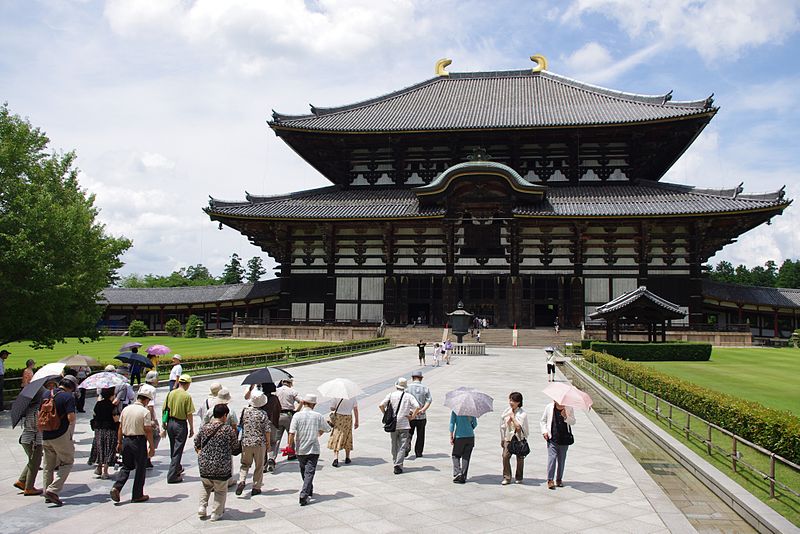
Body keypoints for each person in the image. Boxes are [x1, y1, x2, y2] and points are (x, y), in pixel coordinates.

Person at [195, 403, 239, 521]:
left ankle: (202, 507)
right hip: (221, 465)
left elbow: (197, 442)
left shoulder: (205, 428)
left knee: (206, 485)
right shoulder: (227, 429)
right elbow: (235, 447)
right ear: (224, 415)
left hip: (204, 464)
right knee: (220, 490)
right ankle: (216, 512)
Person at [110, 389, 155, 503]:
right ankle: (137, 495)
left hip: (126, 440)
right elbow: (148, 430)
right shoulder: (145, 412)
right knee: (140, 468)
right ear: (146, 400)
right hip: (138, 441)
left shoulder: (126, 409)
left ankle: (117, 487)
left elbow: (120, 427)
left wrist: (119, 442)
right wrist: (151, 445)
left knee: (126, 466)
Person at [41, 375, 79, 506]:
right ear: (71, 388)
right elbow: (71, 418)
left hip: (46, 433)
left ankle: (47, 491)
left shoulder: (46, 393)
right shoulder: (68, 397)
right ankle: (53, 490)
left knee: (48, 466)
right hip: (60, 434)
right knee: (67, 462)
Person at [288, 393, 330, 506]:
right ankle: (304, 493)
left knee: (304, 471)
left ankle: (307, 490)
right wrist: (321, 430)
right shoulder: (318, 416)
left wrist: (289, 445)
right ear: (314, 404)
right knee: (309, 472)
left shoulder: (296, 416)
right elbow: (327, 429)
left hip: (300, 448)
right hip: (313, 449)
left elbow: (291, 432)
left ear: (304, 403)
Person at [379, 377, 420, 475]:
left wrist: (385, 414)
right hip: (404, 424)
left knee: (394, 444)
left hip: (393, 424)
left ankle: (395, 462)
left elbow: (381, 405)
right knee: (402, 446)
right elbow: (417, 407)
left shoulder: (391, 395)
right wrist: (412, 416)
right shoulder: (408, 396)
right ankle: (399, 464)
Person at [236, 391, 271, 496]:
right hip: (259, 443)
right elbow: (267, 430)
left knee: (245, 464)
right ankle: (256, 487)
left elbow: (240, 424)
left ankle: (242, 480)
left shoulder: (245, 411)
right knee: (259, 466)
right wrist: (268, 443)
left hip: (246, 442)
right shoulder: (263, 414)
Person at [164, 374, 195, 484]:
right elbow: (189, 413)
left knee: (173, 448)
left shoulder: (171, 393)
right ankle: (172, 475)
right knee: (178, 450)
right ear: (187, 384)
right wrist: (191, 428)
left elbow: (165, 409)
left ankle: (176, 468)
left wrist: (164, 423)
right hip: (180, 424)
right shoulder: (186, 396)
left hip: (170, 423)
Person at [540, 400, 576, 489]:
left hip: (564, 438)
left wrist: (566, 417)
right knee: (552, 458)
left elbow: (573, 422)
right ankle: (550, 480)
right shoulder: (549, 407)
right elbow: (543, 420)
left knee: (561, 460)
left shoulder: (569, 408)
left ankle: (559, 479)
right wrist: (544, 432)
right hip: (552, 437)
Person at [15, 393, 44, 495]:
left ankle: (22, 481)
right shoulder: (36, 410)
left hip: (28, 439)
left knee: (33, 461)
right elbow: (36, 426)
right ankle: (29, 488)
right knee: (35, 463)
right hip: (33, 440)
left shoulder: (29, 408)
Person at [500, 391, 529, 485]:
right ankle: (507, 477)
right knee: (505, 456)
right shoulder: (506, 411)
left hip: (519, 438)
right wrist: (502, 438)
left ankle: (519, 477)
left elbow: (518, 427)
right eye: (510, 400)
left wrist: (513, 417)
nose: (511, 402)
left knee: (520, 458)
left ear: (519, 402)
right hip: (508, 438)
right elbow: (502, 426)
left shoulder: (522, 413)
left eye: (513, 401)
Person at [270, 378, 300, 471]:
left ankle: (272, 457)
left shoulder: (276, 391)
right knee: (291, 434)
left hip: (278, 415)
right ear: (290, 383)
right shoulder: (292, 391)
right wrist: (296, 410)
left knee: (276, 438)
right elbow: (301, 401)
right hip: (288, 414)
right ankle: (291, 453)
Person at [89, 387, 119, 479]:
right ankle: (105, 472)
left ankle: (99, 468)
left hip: (98, 429)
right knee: (109, 449)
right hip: (109, 430)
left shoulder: (98, 404)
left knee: (100, 448)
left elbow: (94, 415)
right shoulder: (112, 406)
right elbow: (116, 419)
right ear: (111, 395)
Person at [406, 370, 432, 459]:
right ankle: (418, 452)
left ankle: (406, 447)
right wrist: (423, 410)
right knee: (420, 435)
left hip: (410, 415)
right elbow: (429, 400)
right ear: (421, 378)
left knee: (409, 433)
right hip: (422, 415)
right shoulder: (425, 388)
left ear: (412, 378)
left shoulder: (407, 388)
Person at [327, 395, 359, 467]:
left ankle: (336, 458)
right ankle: (347, 457)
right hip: (348, 418)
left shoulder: (336, 396)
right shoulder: (352, 397)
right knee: (347, 435)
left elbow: (332, 408)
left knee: (337, 435)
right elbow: (355, 409)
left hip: (339, 417)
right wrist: (357, 421)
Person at [138, 371, 161, 468]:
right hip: (147, 414)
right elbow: (150, 406)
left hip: (139, 412)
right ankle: (148, 457)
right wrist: (154, 420)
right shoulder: (152, 389)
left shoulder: (142, 386)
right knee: (155, 435)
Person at [450, 411, 477, 483]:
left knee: (455, 455)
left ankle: (458, 472)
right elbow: (475, 424)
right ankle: (463, 476)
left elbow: (452, 424)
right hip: (470, 437)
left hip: (459, 437)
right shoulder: (471, 411)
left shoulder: (455, 410)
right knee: (466, 457)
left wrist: (451, 436)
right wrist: (469, 428)